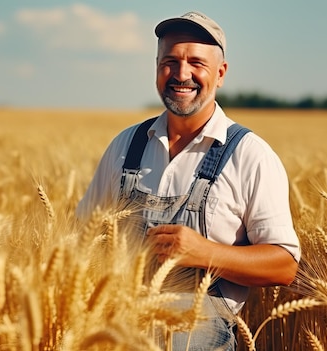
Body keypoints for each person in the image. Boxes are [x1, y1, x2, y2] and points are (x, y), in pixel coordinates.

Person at [76, 10, 301, 350]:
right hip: (114, 317)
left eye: (197, 63)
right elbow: (82, 237)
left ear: (221, 73)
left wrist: (205, 252)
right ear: (156, 68)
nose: (182, 74)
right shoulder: (126, 145)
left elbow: (284, 265)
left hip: (198, 328)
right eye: (170, 61)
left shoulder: (250, 155)